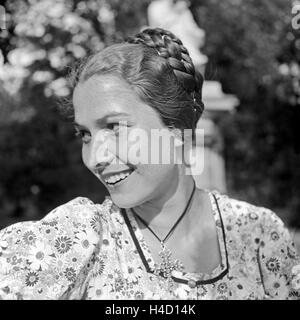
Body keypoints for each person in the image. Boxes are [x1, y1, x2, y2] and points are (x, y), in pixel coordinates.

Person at [0, 28, 299, 300]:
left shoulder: (258, 234)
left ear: (176, 129)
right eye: (85, 134)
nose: (95, 158)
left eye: (115, 127)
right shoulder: (81, 236)